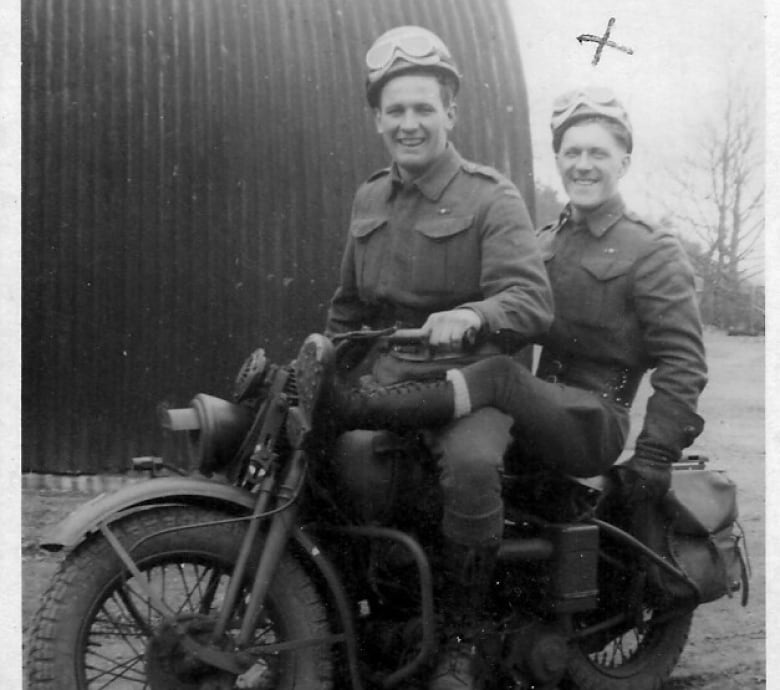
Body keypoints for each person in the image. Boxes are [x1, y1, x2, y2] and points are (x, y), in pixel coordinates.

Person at [298, 86, 707, 685]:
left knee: (493, 375)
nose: (583, 165)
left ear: (625, 160)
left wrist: (654, 453)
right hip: (537, 405)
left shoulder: (652, 251)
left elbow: (685, 363)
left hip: (595, 416)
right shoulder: (543, 241)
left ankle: (358, 407)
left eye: (599, 152)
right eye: (571, 153)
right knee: (441, 465)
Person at [320, 25, 554, 689]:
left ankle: (462, 634)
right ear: (377, 120)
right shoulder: (370, 197)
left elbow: (532, 304)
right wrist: (331, 366)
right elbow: (348, 309)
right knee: (330, 454)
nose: (409, 123)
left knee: (474, 468)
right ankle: (365, 614)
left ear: (451, 112)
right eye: (395, 110)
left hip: (474, 385)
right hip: (389, 377)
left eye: (424, 108)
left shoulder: (492, 197)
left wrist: (474, 315)